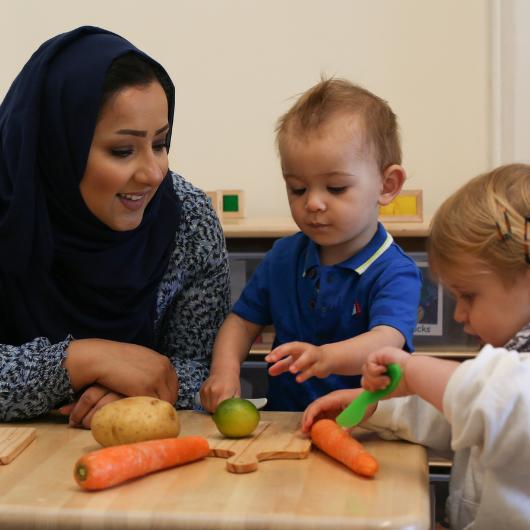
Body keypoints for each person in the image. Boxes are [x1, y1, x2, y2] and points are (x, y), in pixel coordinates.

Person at [0, 26, 230, 427]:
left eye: (160, 143)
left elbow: (205, 370)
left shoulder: (187, 219)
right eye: (123, 150)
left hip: (141, 456)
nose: (155, 173)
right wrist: (83, 360)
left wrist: (146, 387)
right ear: (58, 146)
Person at [302, 164, 530, 530]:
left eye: (469, 296)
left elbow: (499, 401)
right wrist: (376, 409)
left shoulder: (510, 386)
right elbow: (458, 415)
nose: (459, 315)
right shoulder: (508, 365)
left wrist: (413, 370)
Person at [200, 78, 422, 412]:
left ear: (387, 185)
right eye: (298, 189)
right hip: (288, 423)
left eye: (335, 188)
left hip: (366, 424)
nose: (314, 203)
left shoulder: (395, 272)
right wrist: (225, 369)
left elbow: (385, 341)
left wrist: (325, 357)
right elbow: (241, 322)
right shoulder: (283, 257)